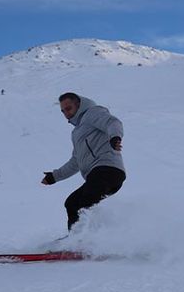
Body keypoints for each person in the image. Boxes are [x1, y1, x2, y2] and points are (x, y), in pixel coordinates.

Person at [41, 92, 125, 230]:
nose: (66, 114)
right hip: (98, 175)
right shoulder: (77, 132)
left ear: (79, 105)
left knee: (87, 202)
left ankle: (87, 241)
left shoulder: (92, 113)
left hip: (107, 170)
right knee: (72, 203)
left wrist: (115, 137)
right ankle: (76, 240)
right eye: (63, 111)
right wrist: (54, 176)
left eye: (69, 108)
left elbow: (112, 122)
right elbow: (76, 161)